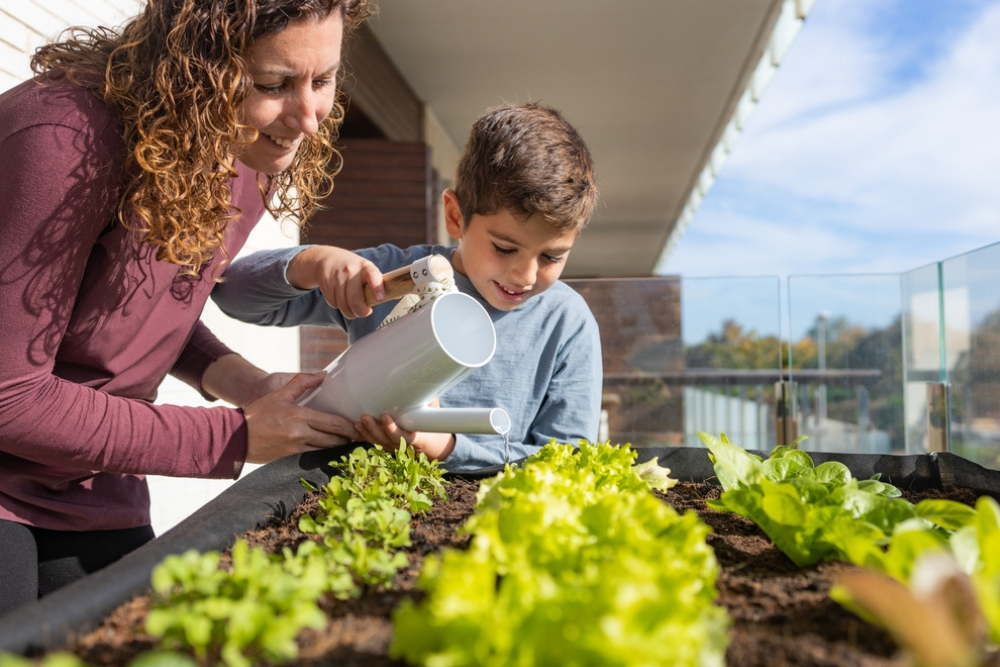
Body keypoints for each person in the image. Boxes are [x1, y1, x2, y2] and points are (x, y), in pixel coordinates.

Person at [0, 0, 380, 616]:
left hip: (91, 482)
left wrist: (252, 385)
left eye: (324, 79)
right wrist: (235, 437)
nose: (309, 118)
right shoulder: (62, 142)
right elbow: (10, 395)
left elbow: (139, 304)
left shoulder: (242, 151)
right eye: (273, 85)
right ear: (196, 68)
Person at [212, 102, 604, 471]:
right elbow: (231, 294)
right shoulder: (398, 276)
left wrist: (447, 448)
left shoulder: (566, 322)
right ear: (455, 216)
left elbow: (569, 461)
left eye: (552, 257)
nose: (526, 276)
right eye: (504, 248)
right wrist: (312, 264)